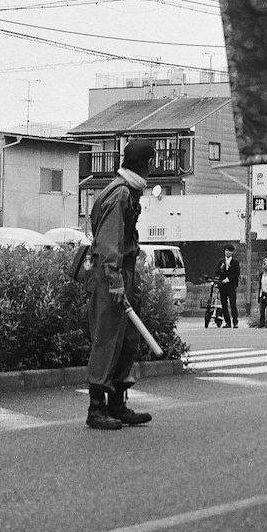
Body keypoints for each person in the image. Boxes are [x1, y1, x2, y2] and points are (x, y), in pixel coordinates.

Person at [81, 137, 155, 431]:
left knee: (127, 341)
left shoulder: (126, 190)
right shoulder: (121, 194)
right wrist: (116, 283)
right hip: (111, 275)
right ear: (147, 164)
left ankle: (117, 404)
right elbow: (110, 244)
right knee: (108, 339)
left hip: (123, 273)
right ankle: (96, 408)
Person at [216, 244, 241, 329]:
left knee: (233, 304)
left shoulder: (235, 262)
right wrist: (221, 268)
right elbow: (217, 272)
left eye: (229, 251)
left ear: (232, 252)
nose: (227, 252)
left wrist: (228, 279)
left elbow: (236, 274)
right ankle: (227, 322)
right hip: (222, 286)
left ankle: (235, 322)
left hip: (231, 285)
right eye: (226, 250)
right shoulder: (221, 261)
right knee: (224, 304)